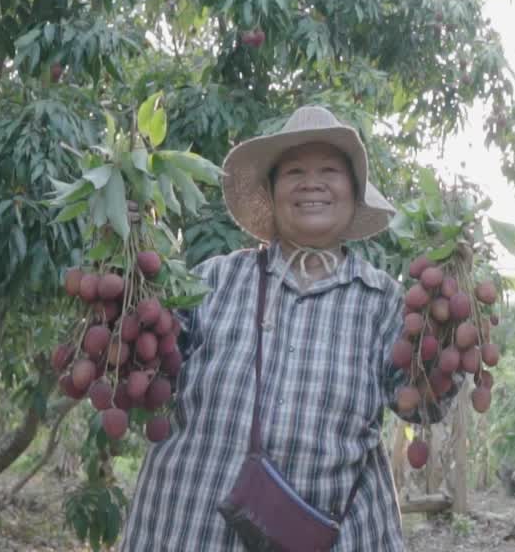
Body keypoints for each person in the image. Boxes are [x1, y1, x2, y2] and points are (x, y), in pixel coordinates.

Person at [120, 105, 452, 551]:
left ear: (353, 195)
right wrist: (129, 249)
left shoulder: (383, 302)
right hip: (186, 526)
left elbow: (421, 404)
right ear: (272, 193)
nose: (311, 182)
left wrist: (446, 327)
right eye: (294, 171)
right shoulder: (213, 280)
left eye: (329, 170)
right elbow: (148, 363)